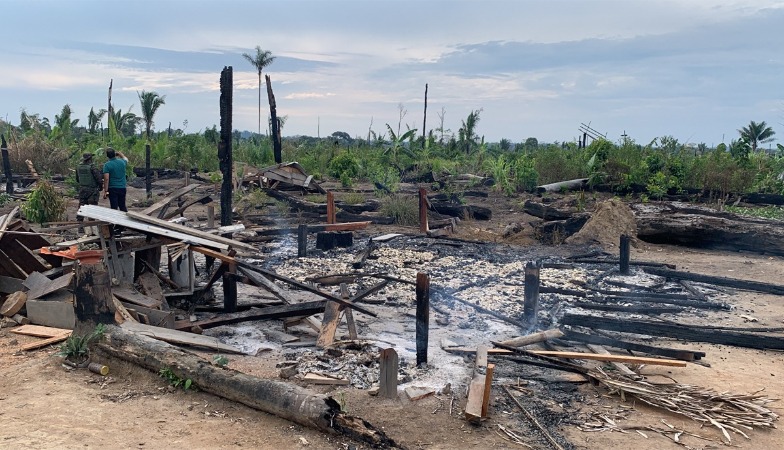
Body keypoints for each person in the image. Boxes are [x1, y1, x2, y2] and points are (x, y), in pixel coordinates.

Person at [102, 147, 128, 212]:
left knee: (114, 206)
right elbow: (126, 159)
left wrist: (105, 191)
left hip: (112, 188)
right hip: (122, 187)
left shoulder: (107, 165)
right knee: (122, 205)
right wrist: (120, 154)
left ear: (107, 156)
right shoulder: (122, 162)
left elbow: (106, 179)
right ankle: (126, 221)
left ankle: (114, 221)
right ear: (114, 154)